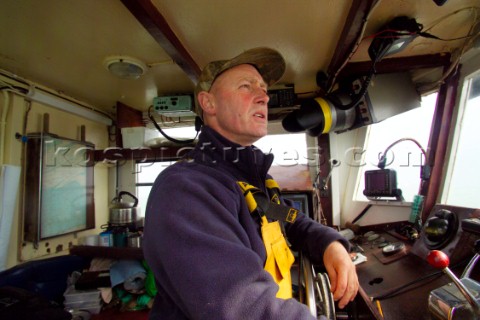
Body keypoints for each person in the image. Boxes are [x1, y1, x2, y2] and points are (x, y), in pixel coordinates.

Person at [143, 47, 358, 320]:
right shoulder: (186, 189)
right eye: (246, 86)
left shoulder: (256, 184)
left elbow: (291, 219)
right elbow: (242, 306)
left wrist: (330, 244)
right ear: (208, 103)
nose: (264, 96)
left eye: (264, 89)